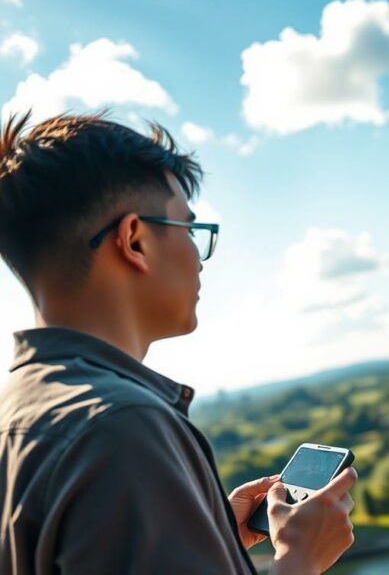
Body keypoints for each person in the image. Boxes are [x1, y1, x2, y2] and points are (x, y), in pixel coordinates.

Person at [0, 112, 356, 575]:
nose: (199, 259)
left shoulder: (17, 414)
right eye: (189, 229)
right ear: (135, 241)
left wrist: (208, 532)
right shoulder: (122, 428)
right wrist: (300, 561)